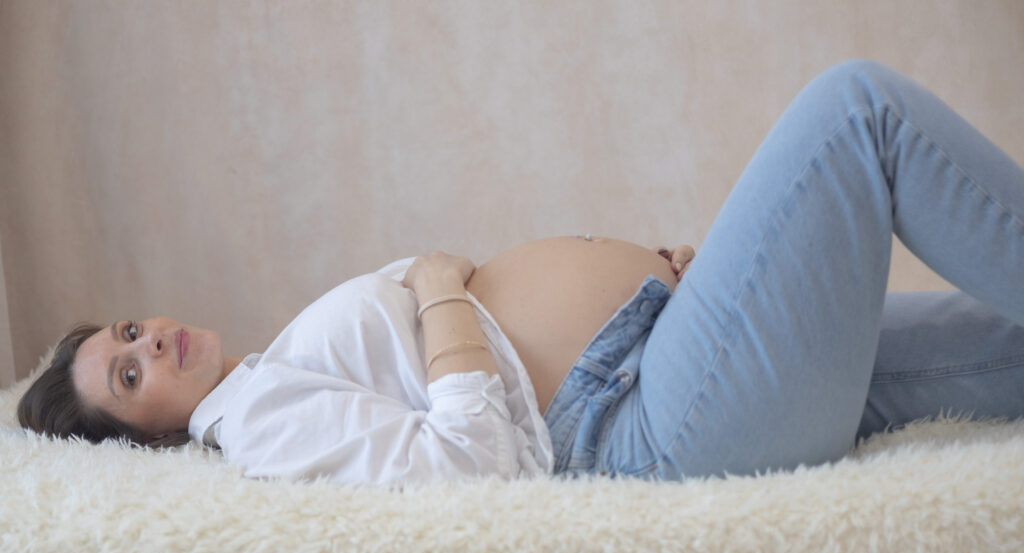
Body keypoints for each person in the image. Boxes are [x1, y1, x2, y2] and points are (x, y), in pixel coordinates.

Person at [18, 60, 1024, 486]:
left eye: (129, 332)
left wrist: (661, 286)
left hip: (658, 357)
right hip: (645, 420)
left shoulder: (268, 373)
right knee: (856, 113)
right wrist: (437, 284)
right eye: (132, 376)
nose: (149, 342)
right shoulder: (249, 421)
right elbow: (467, 463)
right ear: (141, 437)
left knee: (1006, 351)